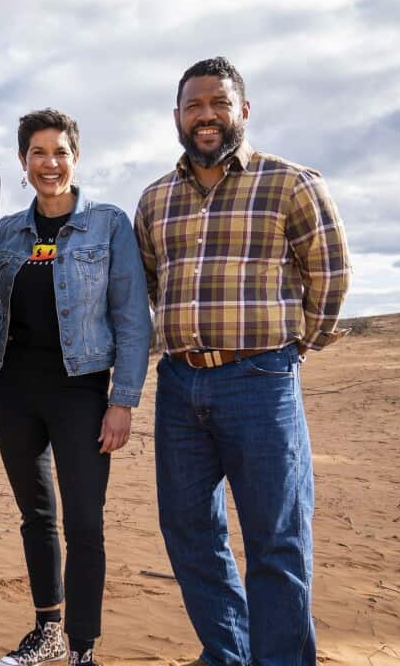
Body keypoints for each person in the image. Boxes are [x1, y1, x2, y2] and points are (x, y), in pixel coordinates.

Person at [134, 57, 351, 666]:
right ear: (177, 115)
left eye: (218, 103)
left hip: (260, 382)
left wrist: (291, 350)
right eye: (193, 105)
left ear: (243, 111)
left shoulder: (291, 183)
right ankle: (228, 652)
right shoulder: (154, 199)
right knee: (189, 532)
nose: (206, 116)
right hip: (179, 386)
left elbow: (330, 276)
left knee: (276, 540)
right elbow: (147, 285)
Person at [0, 109, 151, 666]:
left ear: (75, 158)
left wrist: (122, 400)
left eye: (59, 152)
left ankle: (82, 647)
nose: (49, 163)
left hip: (81, 390)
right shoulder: (9, 230)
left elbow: (132, 317)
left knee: (84, 520)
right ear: (23, 162)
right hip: (13, 388)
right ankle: (47, 631)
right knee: (37, 515)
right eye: (37, 153)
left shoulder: (107, 224)